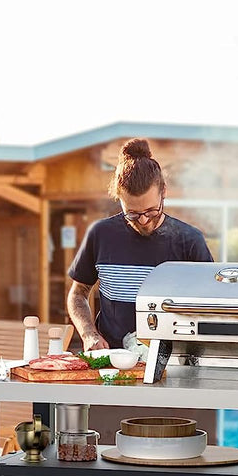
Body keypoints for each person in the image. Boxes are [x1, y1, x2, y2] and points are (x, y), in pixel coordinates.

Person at [67, 137, 212, 351]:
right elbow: (78, 294)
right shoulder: (100, 234)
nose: (144, 221)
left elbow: (210, 303)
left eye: (152, 211)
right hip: (113, 362)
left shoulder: (189, 241)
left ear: (163, 191)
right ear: (119, 198)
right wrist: (89, 334)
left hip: (173, 363)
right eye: (132, 214)